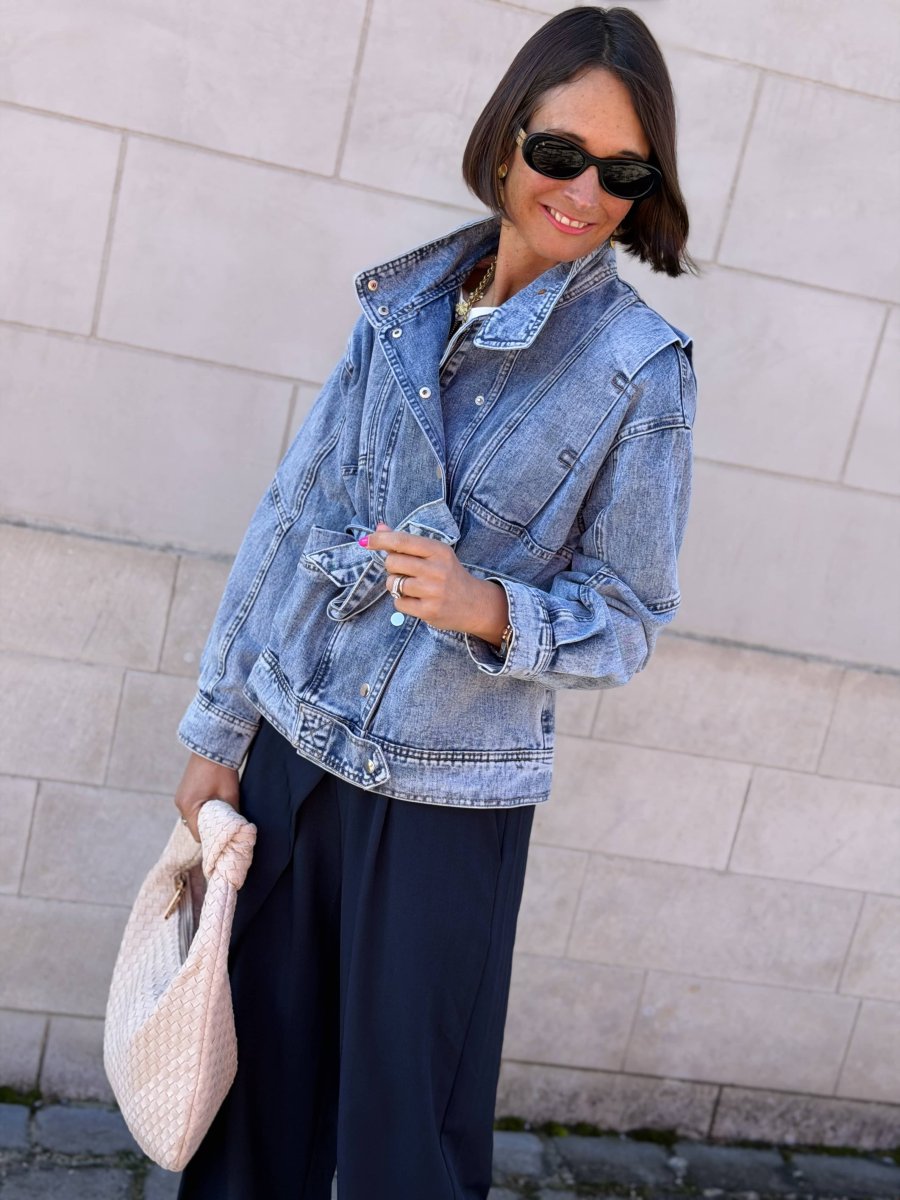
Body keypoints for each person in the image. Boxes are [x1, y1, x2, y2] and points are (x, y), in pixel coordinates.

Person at [173, 6, 697, 1198]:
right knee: (246, 1124)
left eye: (624, 173)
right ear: (508, 140)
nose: (585, 193)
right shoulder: (402, 308)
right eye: (561, 153)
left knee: (407, 1155)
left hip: (447, 807)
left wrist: (490, 608)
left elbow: (629, 619)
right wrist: (217, 732)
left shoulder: (639, 372)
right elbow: (291, 515)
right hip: (293, 756)